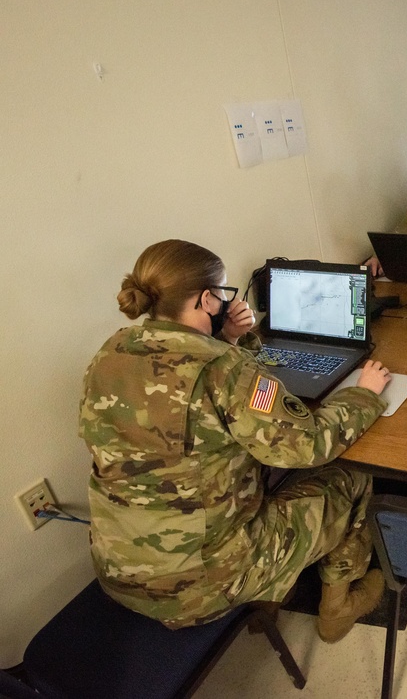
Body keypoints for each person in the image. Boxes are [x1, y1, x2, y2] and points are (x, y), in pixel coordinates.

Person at [80, 239, 390, 642]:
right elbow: (310, 446)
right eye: (224, 292)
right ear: (208, 300)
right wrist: (364, 393)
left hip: (118, 569)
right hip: (201, 585)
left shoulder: (110, 353)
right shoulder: (223, 369)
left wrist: (227, 338)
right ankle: (337, 607)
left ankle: (283, 581)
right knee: (350, 477)